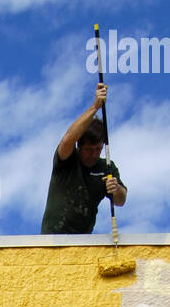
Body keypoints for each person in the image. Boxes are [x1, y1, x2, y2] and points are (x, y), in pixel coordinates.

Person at [40, 82, 127, 234]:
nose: (94, 154)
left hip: (83, 240)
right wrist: (95, 107)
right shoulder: (67, 159)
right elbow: (68, 139)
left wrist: (116, 189)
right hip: (52, 237)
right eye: (89, 150)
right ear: (79, 147)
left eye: (98, 149)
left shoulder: (106, 167)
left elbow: (120, 200)